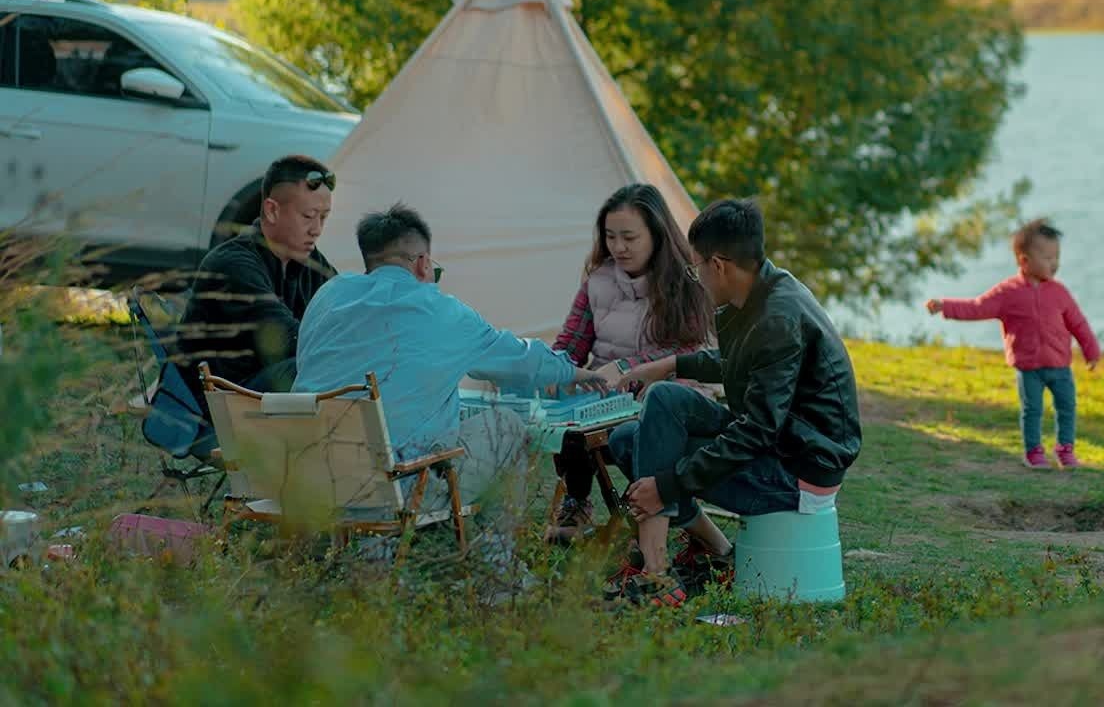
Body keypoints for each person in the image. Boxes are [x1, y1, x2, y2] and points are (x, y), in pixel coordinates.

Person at [601, 198, 862, 607]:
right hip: (781, 442)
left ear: (718, 265)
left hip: (796, 471)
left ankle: (656, 577)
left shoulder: (777, 317)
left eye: (696, 267)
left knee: (650, 439)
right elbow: (745, 362)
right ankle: (716, 551)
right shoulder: (761, 291)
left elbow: (758, 430)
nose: (696, 278)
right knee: (629, 436)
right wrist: (667, 365)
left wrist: (666, 485)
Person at [292, 203, 600, 519]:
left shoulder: (328, 297)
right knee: (506, 424)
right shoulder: (441, 309)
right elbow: (518, 358)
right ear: (423, 263)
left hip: (311, 482)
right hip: (395, 491)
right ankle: (497, 562)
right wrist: (570, 370)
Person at [544, 183, 715, 544]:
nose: (618, 248)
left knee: (644, 429)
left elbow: (691, 353)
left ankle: (647, 518)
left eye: (629, 238)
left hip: (664, 394)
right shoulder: (598, 281)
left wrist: (627, 368)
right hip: (605, 395)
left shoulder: (686, 281)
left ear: (656, 234)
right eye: (610, 237)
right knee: (570, 421)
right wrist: (555, 369)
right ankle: (578, 506)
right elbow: (571, 343)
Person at [925, 218, 1101, 470]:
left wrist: (1091, 351)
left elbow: (1078, 324)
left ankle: (1065, 448)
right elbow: (977, 307)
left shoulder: (1059, 293)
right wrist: (945, 306)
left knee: (1067, 407)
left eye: (1057, 257)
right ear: (1024, 260)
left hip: (1060, 366)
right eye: (1048, 258)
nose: (1055, 263)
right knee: (1032, 410)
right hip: (1028, 367)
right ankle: (1033, 451)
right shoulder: (1008, 293)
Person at [177, 155, 338, 408]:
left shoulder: (309, 261)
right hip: (217, 400)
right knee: (312, 369)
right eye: (308, 216)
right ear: (272, 210)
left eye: (324, 217)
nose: (316, 229)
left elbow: (345, 309)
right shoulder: (231, 265)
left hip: (260, 390)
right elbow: (290, 341)